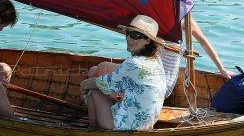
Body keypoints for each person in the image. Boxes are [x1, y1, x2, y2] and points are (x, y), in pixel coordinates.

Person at [89, 16, 235, 98]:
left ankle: (114, 107)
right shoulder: (149, 19)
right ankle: (105, 104)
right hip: (146, 72)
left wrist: (222, 69)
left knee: (102, 68)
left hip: (161, 82)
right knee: (93, 71)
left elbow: (203, 42)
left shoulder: (183, 19)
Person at [80, 15, 167, 130]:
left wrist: (84, 85)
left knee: (92, 90)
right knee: (99, 82)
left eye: (135, 35)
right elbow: (116, 86)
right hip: (145, 125)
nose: (128, 39)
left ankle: (92, 131)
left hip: (125, 126)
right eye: (128, 33)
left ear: (148, 40)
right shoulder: (156, 62)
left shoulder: (133, 63)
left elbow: (106, 85)